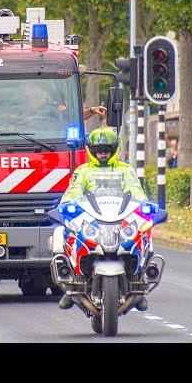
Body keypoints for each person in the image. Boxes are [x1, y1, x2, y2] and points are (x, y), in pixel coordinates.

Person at [58, 127, 148, 311]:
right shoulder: (82, 172)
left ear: (115, 149)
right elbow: (72, 192)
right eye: (99, 149)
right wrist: (65, 207)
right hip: (92, 220)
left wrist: (146, 207)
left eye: (107, 149)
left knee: (144, 231)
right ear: (91, 150)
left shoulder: (125, 171)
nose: (103, 153)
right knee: (63, 232)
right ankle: (70, 285)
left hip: (119, 218)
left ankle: (140, 283)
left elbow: (137, 191)